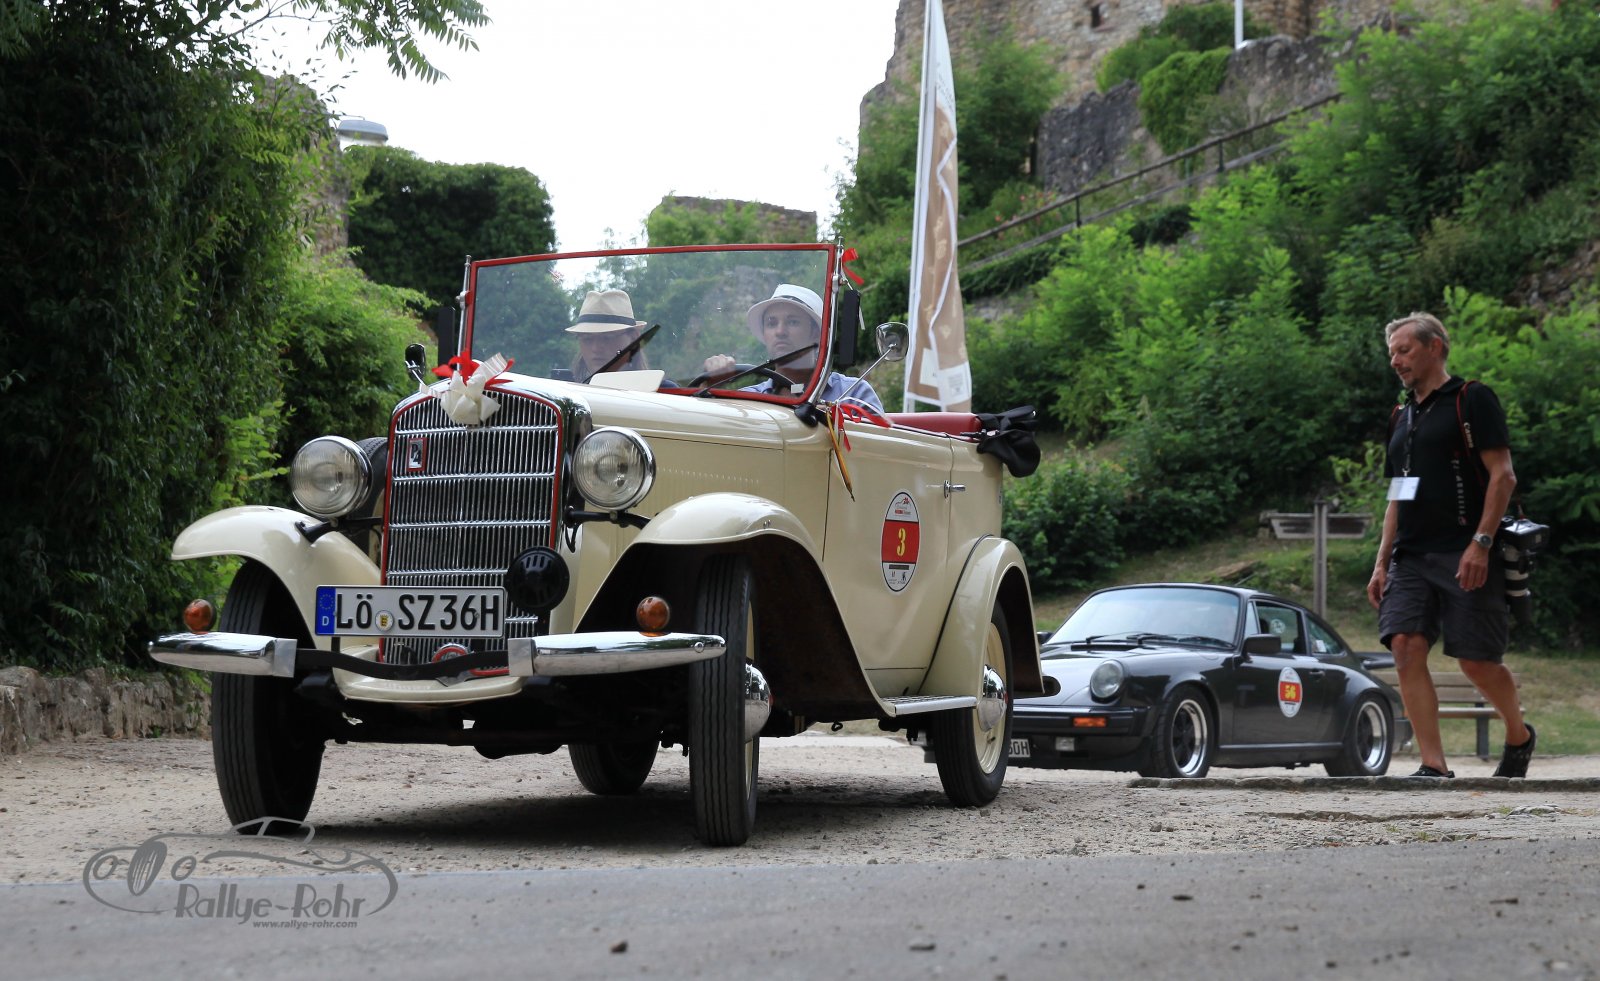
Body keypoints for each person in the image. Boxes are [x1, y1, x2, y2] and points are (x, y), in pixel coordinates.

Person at [1365, 312, 1533, 778]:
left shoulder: (1470, 398)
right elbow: (1398, 493)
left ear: (1435, 346)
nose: (1395, 361)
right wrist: (1381, 561)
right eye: (1392, 353)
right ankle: (1433, 765)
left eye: (1404, 350)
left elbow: (1503, 476)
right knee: (1404, 645)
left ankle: (1519, 735)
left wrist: (1480, 543)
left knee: (1477, 663)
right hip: (1411, 556)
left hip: (1466, 550)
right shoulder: (1401, 415)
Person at [700, 284, 883, 411]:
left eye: (793, 322)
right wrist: (709, 388)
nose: (780, 331)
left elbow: (879, 449)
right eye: (772, 323)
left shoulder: (853, 393)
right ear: (764, 334)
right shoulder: (746, 400)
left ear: (816, 333)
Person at [567, 289, 649, 382]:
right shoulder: (565, 390)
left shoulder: (658, 390)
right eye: (587, 339)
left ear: (634, 338)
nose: (596, 348)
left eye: (607, 338)